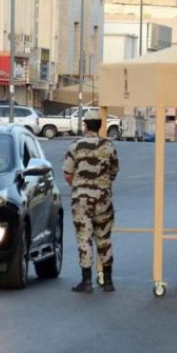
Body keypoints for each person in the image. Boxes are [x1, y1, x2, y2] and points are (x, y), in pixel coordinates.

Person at [61, 110, 119, 293]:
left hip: (82, 200)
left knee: (84, 238)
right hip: (103, 199)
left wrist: (79, 187)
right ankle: (108, 281)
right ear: (100, 125)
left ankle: (86, 282)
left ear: (85, 124)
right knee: (104, 238)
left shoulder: (76, 146)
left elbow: (68, 173)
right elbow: (114, 172)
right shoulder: (109, 146)